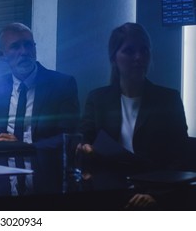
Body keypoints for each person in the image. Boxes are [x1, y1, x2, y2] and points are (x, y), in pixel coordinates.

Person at [79, 22, 189, 209]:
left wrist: (157, 195)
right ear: (114, 58)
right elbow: (83, 141)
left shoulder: (168, 99)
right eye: (129, 51)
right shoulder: (98, 99)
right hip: (108, 191)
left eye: (144, 50)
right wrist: (84, 149)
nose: (139, 57)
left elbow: (180, 157)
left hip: (155, 192)